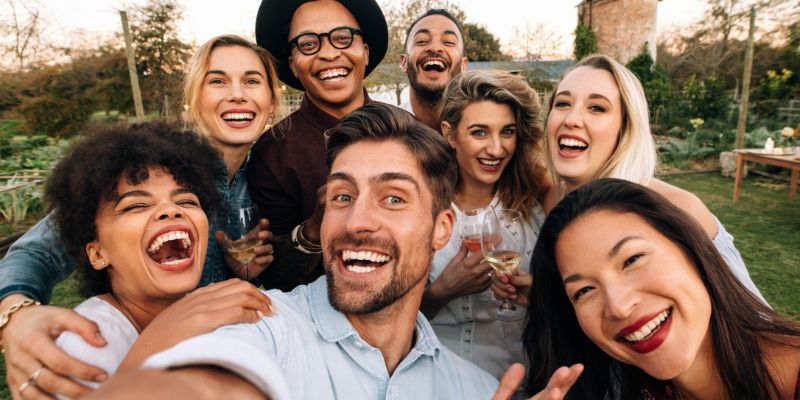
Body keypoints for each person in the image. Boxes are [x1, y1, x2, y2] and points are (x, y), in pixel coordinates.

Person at [85, 103, 584, 400]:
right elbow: (209, 381)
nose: (357, 221)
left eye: (393, 198)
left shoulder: (477, 390)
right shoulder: (261, 327)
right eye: (342, 196)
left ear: (441, 229)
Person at [0, 35, 279, 398]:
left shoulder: (267, 176)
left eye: (252, 81)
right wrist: (15, 315)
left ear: (272, 103)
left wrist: (238, 269)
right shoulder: (148, 168)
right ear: (194, 99)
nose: (237, 94)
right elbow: (37, 252)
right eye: (217, 80)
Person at [492, 54, 767, 306]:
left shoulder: (676, 210)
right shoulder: (556, 202)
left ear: (625, 127)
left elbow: (753, 323)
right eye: (563, 103)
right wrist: (543, 297)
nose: (572, 119)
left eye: (597, 108)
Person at [39, 124, 272, 399]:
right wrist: (155, 343)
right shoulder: (84, 341)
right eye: (136, 205)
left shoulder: (211, 315)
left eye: (186, 200)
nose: (170, 210)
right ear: (98, 254)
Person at [520, 178, 800, 399]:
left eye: (632, 260)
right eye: (584, 291)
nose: (618, 306)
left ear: (691, 250)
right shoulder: (632, 383)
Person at [247, 0, 389, 291]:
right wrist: (313, 229)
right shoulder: (272, 153)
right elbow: (273, 279)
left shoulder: (410, 131)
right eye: (308, 43)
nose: (328, 53)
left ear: (365, 50)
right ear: (293, 66)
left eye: (342, 37)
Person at [420, 70, 547, 379]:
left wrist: (539, 296)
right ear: (450, 134)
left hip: (530, 378)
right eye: (479, 132)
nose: (496, 148)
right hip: (446, 382)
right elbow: (384, 320)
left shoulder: (535, 203)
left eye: (507, 132)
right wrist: (443, 291)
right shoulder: (423, 211)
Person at [399, 8, 468, 131]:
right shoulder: (383, 133)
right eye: (422, 41)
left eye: (448, 42)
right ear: (404, 62)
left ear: (464, 66)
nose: (435, 48)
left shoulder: (480, 132)